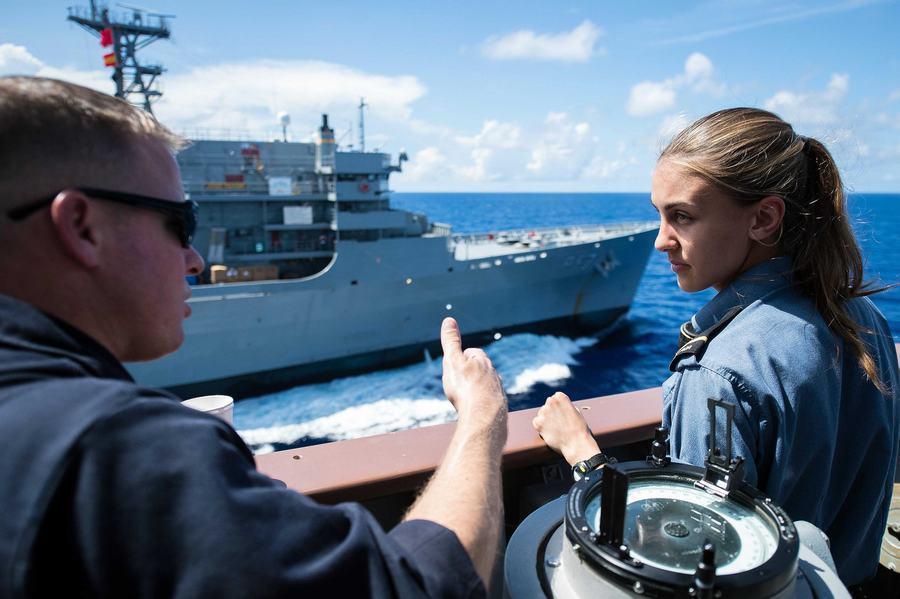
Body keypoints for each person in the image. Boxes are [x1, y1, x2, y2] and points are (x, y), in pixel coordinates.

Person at [0, 76, 508, 598]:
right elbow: (419, 588)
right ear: (83, 227)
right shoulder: (124, 449)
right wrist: (482, 419)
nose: (195, 260)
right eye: (179, 222)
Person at [533, 107, 898, 587]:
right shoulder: (862, 318)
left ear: (764, 219)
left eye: (682, 217)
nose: (662, 240)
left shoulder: (718, 374)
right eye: (660, 215)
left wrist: (584, 457)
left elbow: (686, 560)